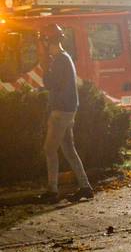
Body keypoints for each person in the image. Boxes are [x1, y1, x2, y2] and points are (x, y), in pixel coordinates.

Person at [37, 23, 93, 204]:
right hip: (67, 110)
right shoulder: (63, 58)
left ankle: (52, 190)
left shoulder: (60, 60)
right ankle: (85, 187)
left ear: (47, 42)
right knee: (69, 150)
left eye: (42, 43)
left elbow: (50, 84)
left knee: (49, 149)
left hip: (61, 112)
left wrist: (45, 67)